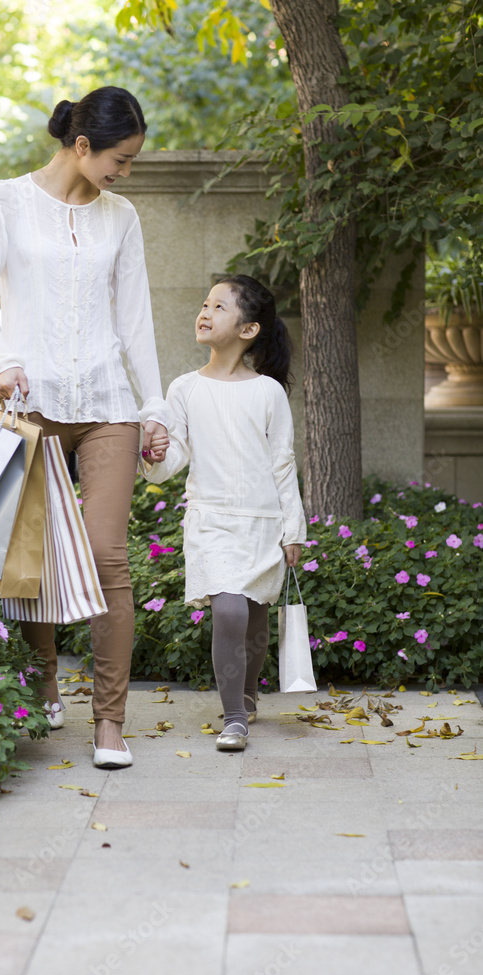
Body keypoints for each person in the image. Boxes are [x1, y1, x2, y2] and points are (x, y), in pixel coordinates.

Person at [0, 87, 171, 769]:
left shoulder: (122, 216)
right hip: (31, 402)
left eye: (132, 161)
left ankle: (109, 722)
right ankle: (44, 676)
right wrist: (0, 360)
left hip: (107, 400)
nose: (125, 172)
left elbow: (135, 316)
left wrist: (155, 406)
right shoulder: (7, 201)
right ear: (81, 146)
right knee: (32, 558)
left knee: (109, 558)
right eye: (120, 158)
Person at [143, 275, 305, 750]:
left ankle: (248, 694)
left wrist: (292, 529)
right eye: (204, 303)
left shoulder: (268, 393)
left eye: (219, 306)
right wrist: (152, 454)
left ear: (249, 329)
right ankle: (234, 716)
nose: (205, 312)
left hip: (262, 525)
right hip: (211, 520)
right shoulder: (184, 388)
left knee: (255, 619)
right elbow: (173, 457)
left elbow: (283, 463)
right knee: (230, 611)